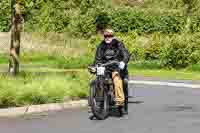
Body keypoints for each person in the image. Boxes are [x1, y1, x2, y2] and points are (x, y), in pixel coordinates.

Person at [94, 28, 130, 114]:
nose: (107, 38)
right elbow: (97, 58)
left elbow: (125, 54)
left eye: (109, 36)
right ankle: (100, 98)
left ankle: (120, 102)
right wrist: (96, 65)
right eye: (106, 36)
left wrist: (123, 62)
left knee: (117, 81)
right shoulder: (101, 45)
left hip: (116, 67)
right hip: (105, 68)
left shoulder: (118, 44)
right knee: (99, 79)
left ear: (113, 36)